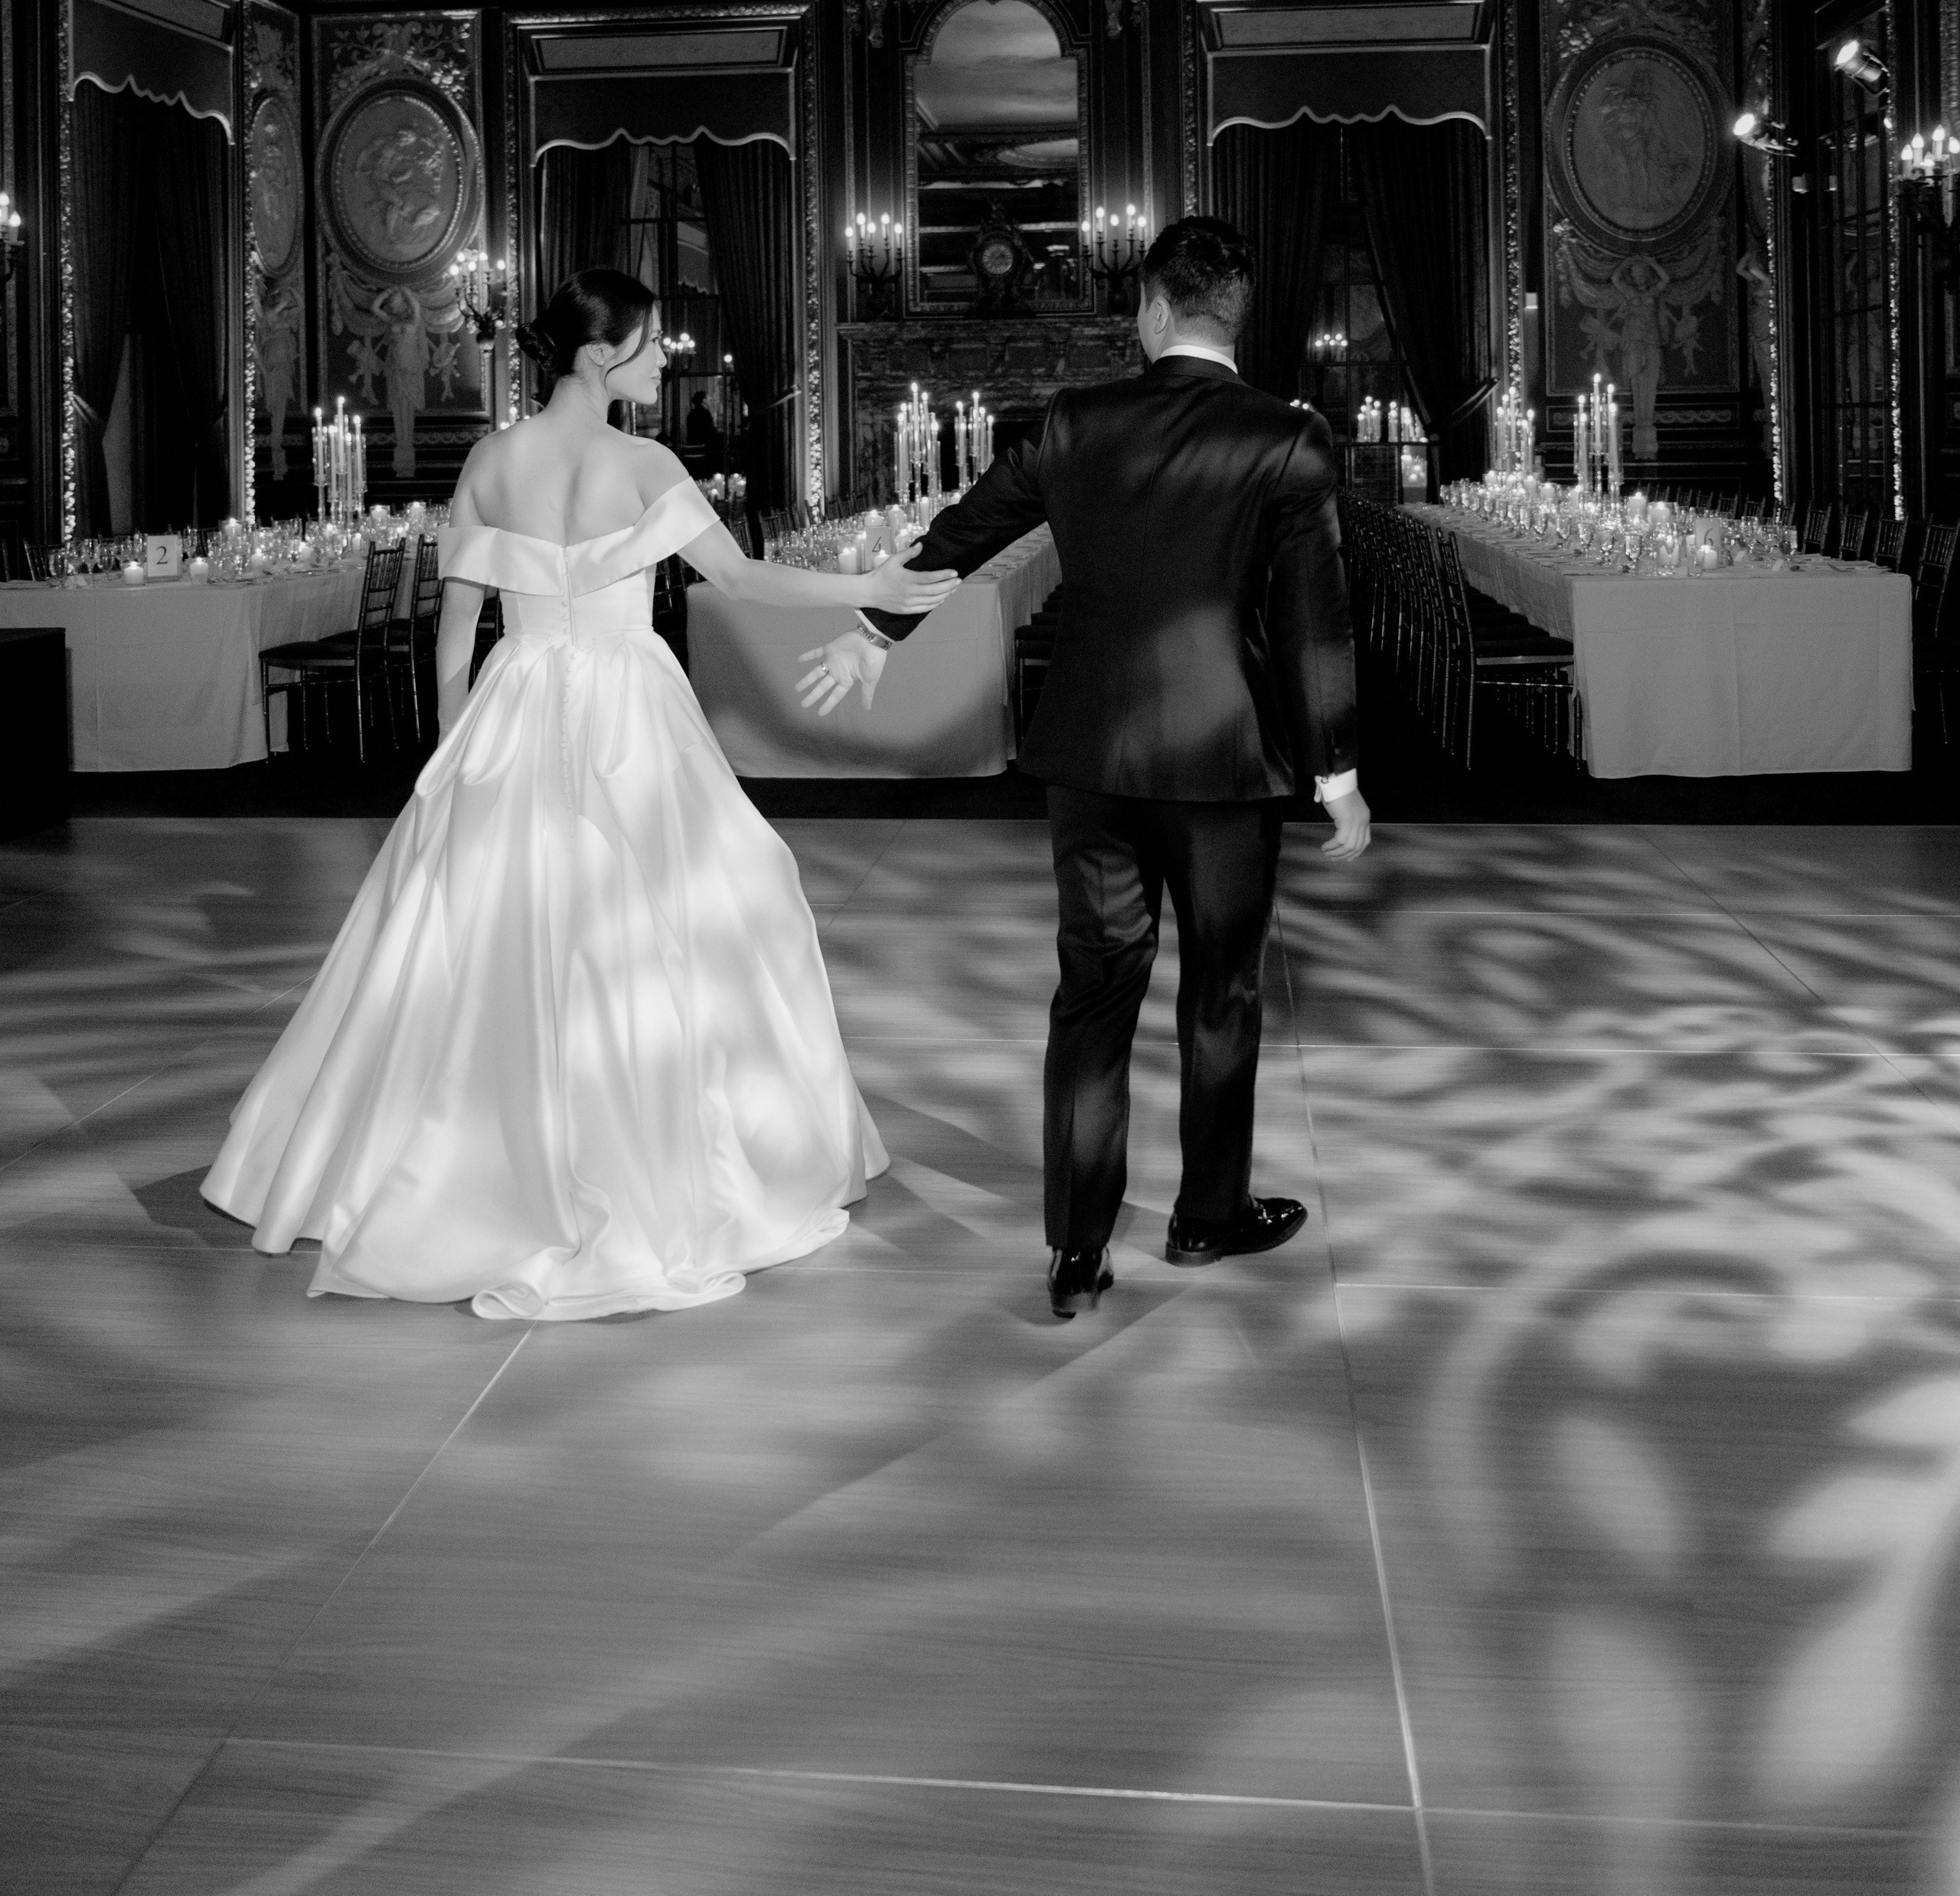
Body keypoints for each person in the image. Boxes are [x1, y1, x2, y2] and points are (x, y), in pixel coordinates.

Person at [202, 268, 956, 1321]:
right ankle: (663, 1161)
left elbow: (456, 633)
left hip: (514, 704)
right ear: (601, 356)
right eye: (651, 347)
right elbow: (736, 582)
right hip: (628, 708)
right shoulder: (642, 461)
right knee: (674, 923)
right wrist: (869, 590)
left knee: (489, 939)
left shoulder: (489, 459)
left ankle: (464, 1170)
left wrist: (455, 754)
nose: (662, 364)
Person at [798, 215, 1370, 1319]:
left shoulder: (1074, 423)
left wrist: (873, 633)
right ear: (1235, 317)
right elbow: (1315, 621)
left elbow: (964, 534)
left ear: (1153, 309)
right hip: (1226, 755)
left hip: (1094, 756)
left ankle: (1074, 1251)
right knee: (1223, 990)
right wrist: (1335, 772)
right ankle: (1207, 1217)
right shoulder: (1285, 439)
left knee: (1094, 993)